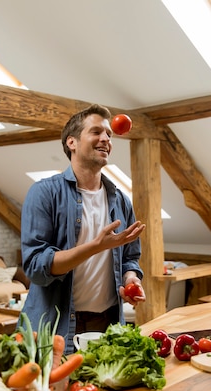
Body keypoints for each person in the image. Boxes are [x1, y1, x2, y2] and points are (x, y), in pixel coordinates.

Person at [20, 104, 146, 353]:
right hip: (56, 327)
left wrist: (132, 279)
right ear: (72, 142)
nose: (106, 139)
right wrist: (94, 247)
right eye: (96, 132)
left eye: (109, 134)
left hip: (108, 323)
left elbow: (130, 258)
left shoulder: (120, 199)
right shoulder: (44, 193)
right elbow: (36, 268)